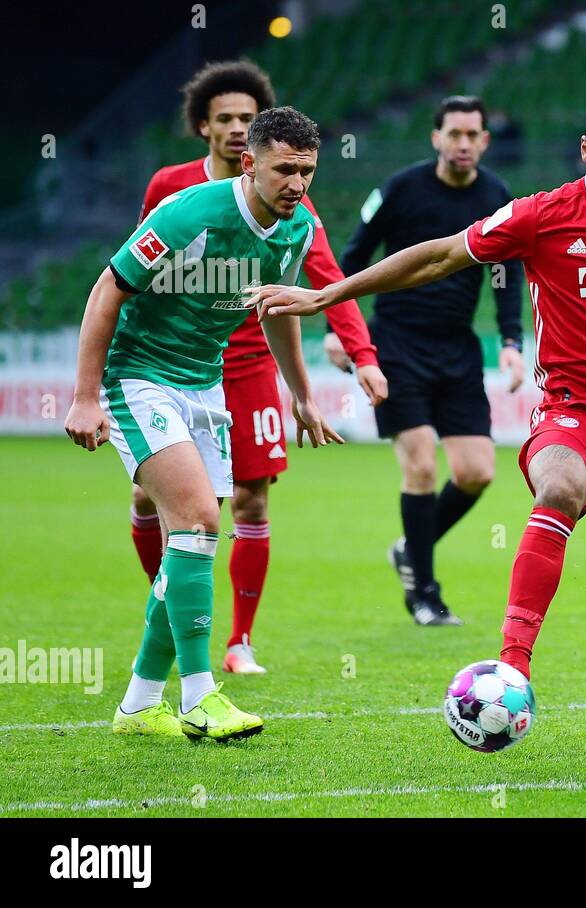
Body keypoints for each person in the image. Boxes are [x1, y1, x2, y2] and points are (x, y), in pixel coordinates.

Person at [251, 88, 586, 684]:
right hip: (577, 410)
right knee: (558, 485)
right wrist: (330, 295)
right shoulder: (540, 214)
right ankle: (510, 670)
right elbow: (440, 256)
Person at [65, 107, 343, 740]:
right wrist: (85, 397)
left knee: (188, 543)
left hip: (205, 385)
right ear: (249, 162)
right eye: (284, 171)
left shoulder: (296, 230)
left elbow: (277, 309)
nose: (296, 185)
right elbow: (109, 288)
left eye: (307, 172)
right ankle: (199, 696)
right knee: (199, 519)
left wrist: (300, 393)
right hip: (138, 377)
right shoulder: (189, 213)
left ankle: (137, 705)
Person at [130, 60, 386, 673]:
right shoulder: (173, 188)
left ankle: (239, 640)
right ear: (205, 128)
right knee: (151, 500)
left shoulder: (293, 200)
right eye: (226, 119)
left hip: (248, 363)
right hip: (169, 362)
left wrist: (362, 355)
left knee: (250, 501)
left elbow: (324, 281)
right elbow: (129, 276)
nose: (238, 127)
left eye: (248, 117)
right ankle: (171, 608)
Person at [341, 95, 525, 626]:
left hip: (458, 346)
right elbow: (352, 258)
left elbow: (506, 275)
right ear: (436, 137)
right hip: (396, 341)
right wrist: (343, 328)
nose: (464, 143)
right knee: (420, 462)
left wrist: (511, 342)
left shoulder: (496, 196)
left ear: (485, 141)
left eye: (473, 135)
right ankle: (424, 591)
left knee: (476, 472)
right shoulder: (402, 188)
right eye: (455, 133)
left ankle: (410, 549)